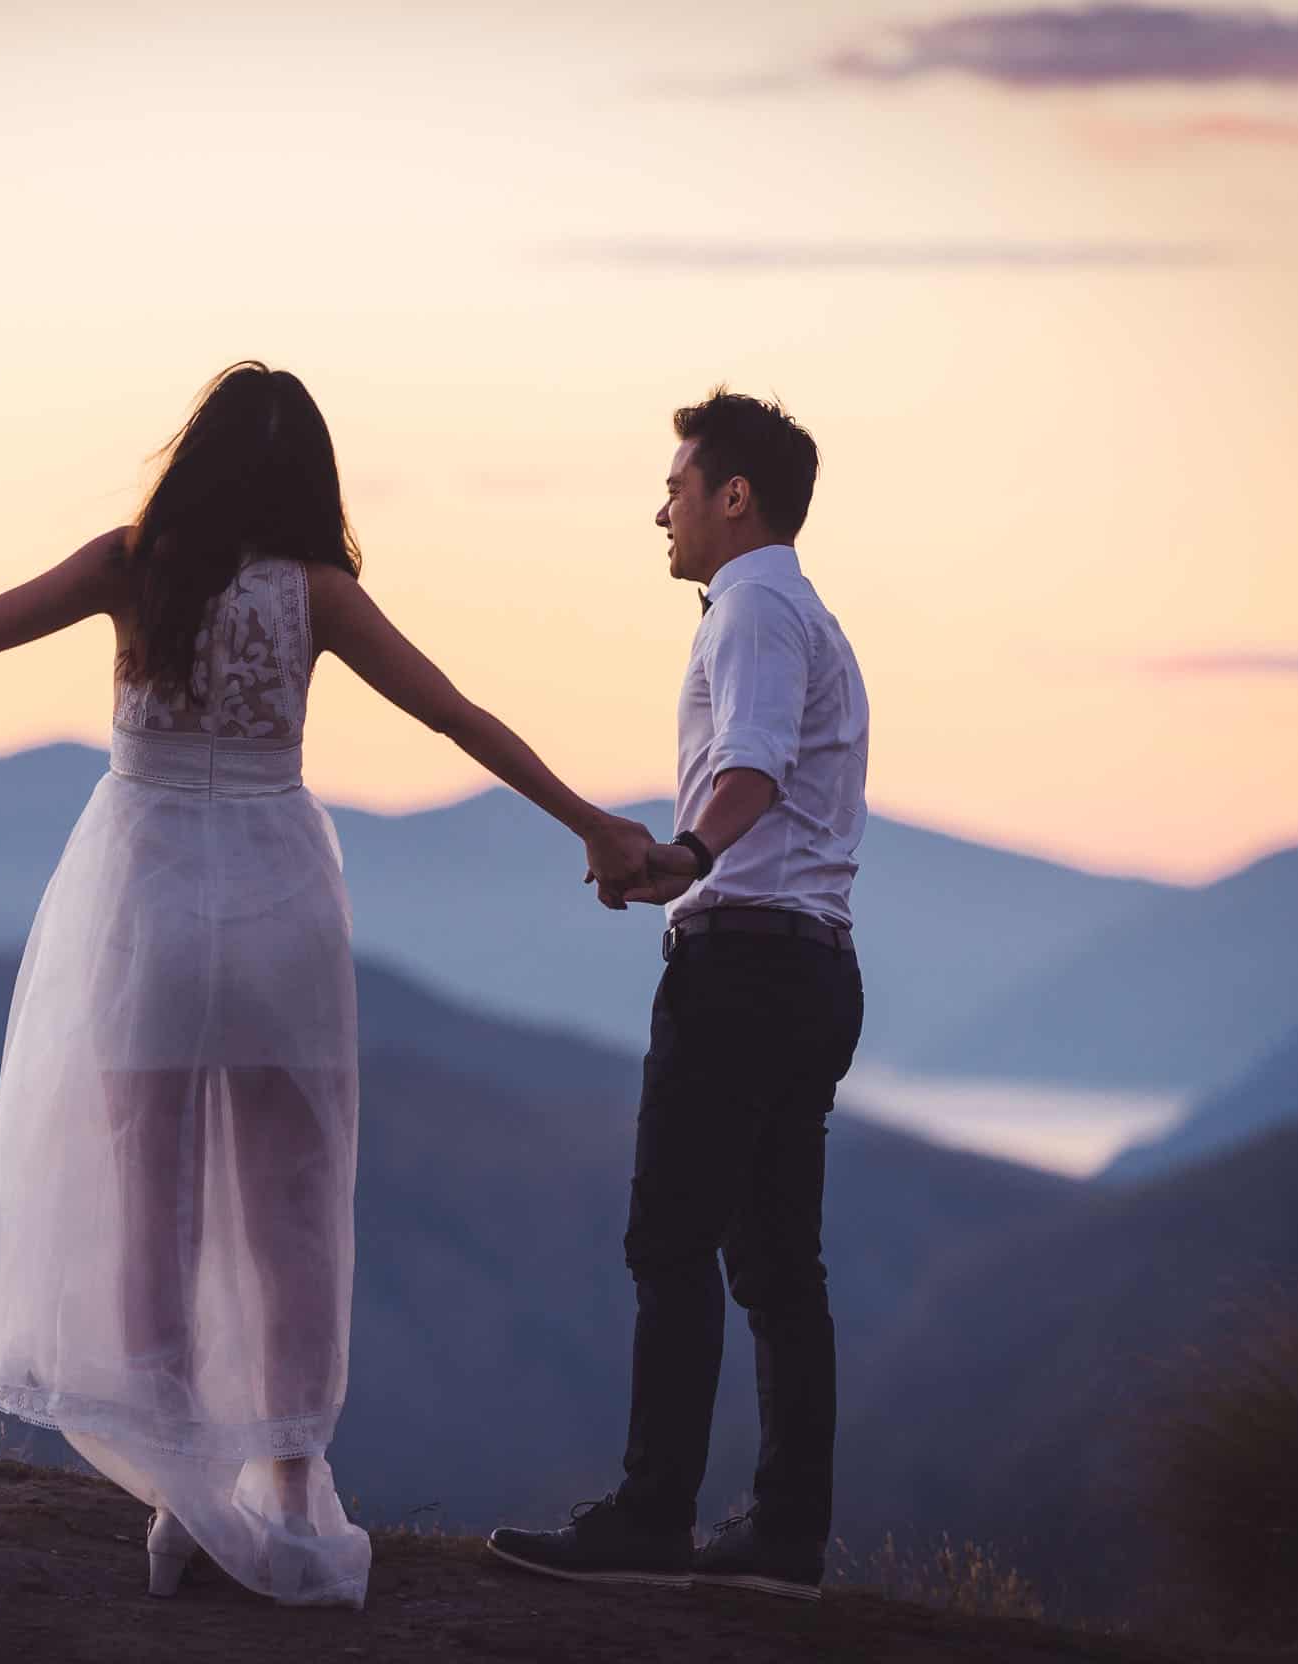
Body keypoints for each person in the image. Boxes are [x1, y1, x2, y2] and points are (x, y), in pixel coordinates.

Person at [0, 361, 656, 1607]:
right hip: (276, 902)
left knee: (151, 1198)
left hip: (149, 903)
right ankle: (281, 1483)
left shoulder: (133, 565)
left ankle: (184, 1501)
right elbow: (455, 715)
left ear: (196, 459)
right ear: (308, 481)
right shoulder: (318, 591)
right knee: (288, 1214)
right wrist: (589, 821)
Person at [486, 387, 868, 1602]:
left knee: (671, 1239)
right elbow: (772, 786)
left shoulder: (752, 606)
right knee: (776, 1261)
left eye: (677, 484)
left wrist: (690, 862)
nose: (661, 507)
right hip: (811, 962)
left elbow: (751, 765)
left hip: (745, 964)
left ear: (733, 494)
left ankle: (653, 1518)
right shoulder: (802, 612)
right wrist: (679, 874)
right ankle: (785, 1534)